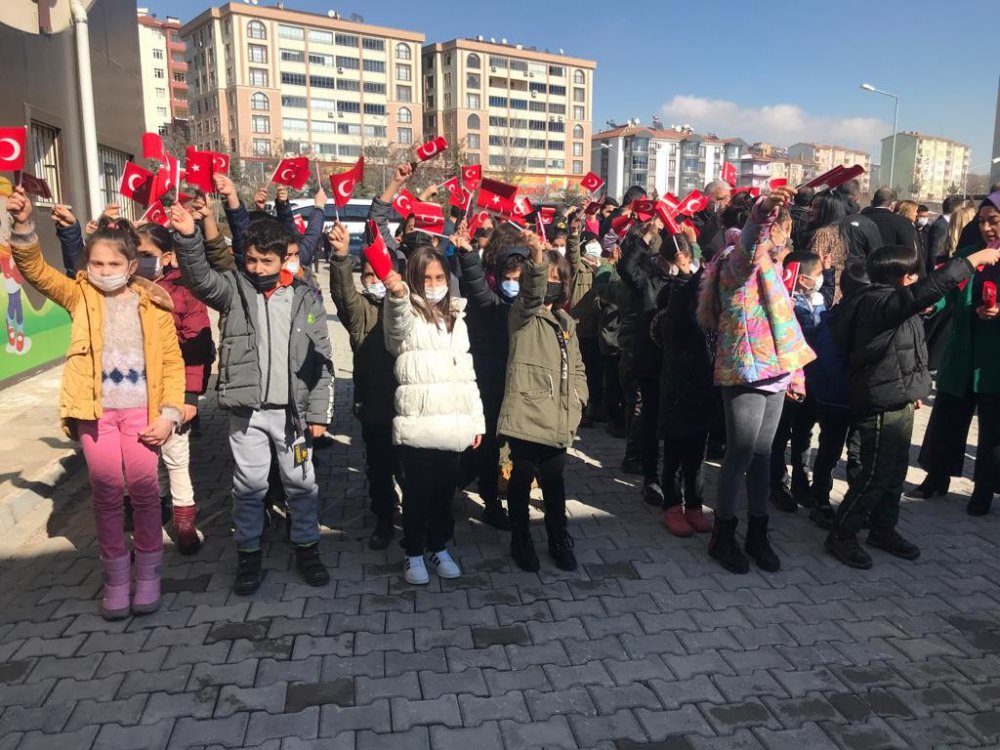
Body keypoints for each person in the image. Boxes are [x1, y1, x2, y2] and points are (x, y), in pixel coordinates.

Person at [8, 187, 184, 619]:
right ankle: (116, 578)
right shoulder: (80, 296)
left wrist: (169, 415)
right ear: (87, 266)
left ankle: (147, 575)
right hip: (95, 414)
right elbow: (36, 271)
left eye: (114, 264)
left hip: (143, 416)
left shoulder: (155, 304)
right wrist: (24, 225)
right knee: (105, 496)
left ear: (131, 265)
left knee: (144, 494)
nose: (105, 270)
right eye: (97, 263)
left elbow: (173, 363)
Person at [172, 204, 334, 594]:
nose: (258, 267)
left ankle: (307, 548)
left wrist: (319, 413)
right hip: (248, 415)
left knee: (301, 483)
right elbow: (198, 277)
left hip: (292, 417)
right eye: (252, 259)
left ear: (284, 259)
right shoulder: (234, 290)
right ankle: (248, 555)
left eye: (266, 261)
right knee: (249, 487)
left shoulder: (304, 297)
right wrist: (188, 236)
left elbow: (323, 359)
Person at [825, 241, 1000, 568]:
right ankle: (842, 532)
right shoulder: (878, 302)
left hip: (900, 396)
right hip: (880, 400)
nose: (918, 278)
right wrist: (971, 260)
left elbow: (910, 349)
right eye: (914, 273)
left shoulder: (895, 303)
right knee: (875, 473)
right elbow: (927, 291)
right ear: (902, 278)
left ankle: (883, 528)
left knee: (894, 472)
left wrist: (915, 389)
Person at [697, 186, 815, 574]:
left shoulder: (775, 272)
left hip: (776, 371)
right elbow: (751, 246)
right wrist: (762, 212)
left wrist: (794, 373)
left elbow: (786, 325)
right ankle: (723, 534)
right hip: (746, 369)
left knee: (765, 455)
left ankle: (758, 533)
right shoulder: (738, 261)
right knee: (739, 455)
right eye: (783, 235)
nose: (786, 243)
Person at [382, 245, 485, 585]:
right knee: (417, 496)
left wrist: (476, 420)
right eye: (426, 278)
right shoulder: (407, 313)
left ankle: (438, 547)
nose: (434, 284)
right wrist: (397, 296)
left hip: (454, 425)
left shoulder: (457, 317)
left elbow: (469, 373)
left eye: (440, 277)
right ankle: (413, 553)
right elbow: (395, 331)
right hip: (419, 424)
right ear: (414, 279)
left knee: (445, 496)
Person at [497, 231, 587, 571]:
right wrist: (536, 258)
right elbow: (532, 294)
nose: (550, 284)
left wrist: (579, 399)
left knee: (554, 479)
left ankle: (558, 535)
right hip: (527, 412)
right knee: (521, 477)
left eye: (555, 279)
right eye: (545, 277)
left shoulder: (566, 322)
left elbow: (578, 366)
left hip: (560, 414)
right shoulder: (522, 313)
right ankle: (521, 539)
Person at [913, 192, 1000, 514]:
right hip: (962, 349)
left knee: (992, 427)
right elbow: (947, 290)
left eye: (994, 221)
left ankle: (984, 490)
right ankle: (937, 477)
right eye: (982, 221)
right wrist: (929, 303)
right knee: (948, 415)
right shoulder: (970, 254)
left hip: (993, 357)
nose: (988, 228)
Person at [133, 222, 214, 555]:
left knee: (176, 457)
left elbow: (197, 348)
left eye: (147, 255)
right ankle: (156, 509)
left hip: (172, 391)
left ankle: (184, 522)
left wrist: (190, 397)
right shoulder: (122, 289)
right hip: (133, 393)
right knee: (143, 461)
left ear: (166, 256)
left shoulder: (183, 291)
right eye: (133, 254)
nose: (139, 261)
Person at [328, 218, 402, 550]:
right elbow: (343, 296)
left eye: (379, 275)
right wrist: (341, 258)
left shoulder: (405, 306)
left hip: (409, 405)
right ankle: (384, 517)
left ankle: (415, 516)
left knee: (409, 469)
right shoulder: (360, 313)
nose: (374, 282)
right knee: (379, 469)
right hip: (374, 406)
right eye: (367, 276)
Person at [456, 225, 527, 531]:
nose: (512, 283)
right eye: (507, 277)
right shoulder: (488, 292)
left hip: (518, 380)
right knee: (485, 444)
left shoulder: (526, 299)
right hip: (487, 378)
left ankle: (496, 493)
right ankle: (484, 498)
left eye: (518, 278)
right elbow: (480, 292)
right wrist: (469, 255)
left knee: (505, 444)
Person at [651, 250, 715, 537]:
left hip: (704, 394)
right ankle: (673, 506)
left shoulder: (711, 318)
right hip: (678, 394)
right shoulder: (675, 318)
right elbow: (679, 302)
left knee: (696, 458)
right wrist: (692, 275)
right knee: (675, 457)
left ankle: (694, 505)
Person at [769, 250, 832, 512]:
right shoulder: (784, 303)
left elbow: (827, 295)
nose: (820, 279)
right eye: (817, 274)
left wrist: (829, 274)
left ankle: (800, 480)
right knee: (780, 433)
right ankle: (776, 483)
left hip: (814, 377)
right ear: (802, 278)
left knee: (804, 433)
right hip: (789, 380)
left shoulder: (817, 299)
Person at [692, 180, 733, 259]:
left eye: (728, 199)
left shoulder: (731, 220)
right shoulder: (695, 220)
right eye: (720, 198)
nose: (726, 203)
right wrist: (715, 217)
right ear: (707, 198)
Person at [927, 195, 965, 269]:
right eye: (962, 209)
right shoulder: (941, 226)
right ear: (956, 209)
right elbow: (934, 251)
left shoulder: (947, 224)